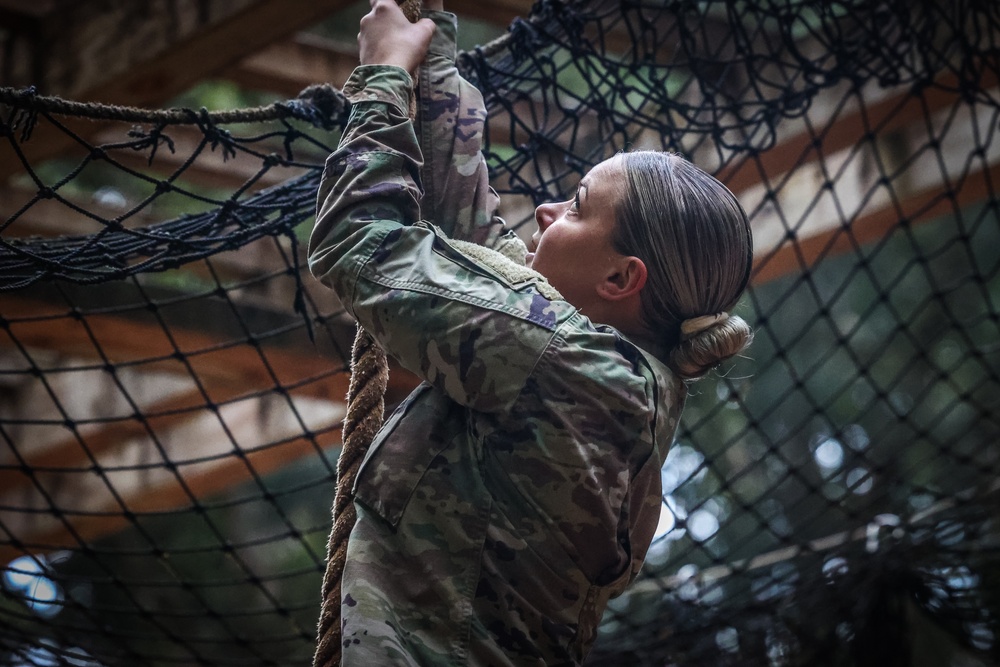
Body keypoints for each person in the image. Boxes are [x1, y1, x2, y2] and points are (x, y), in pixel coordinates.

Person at [308, 0, 753, 664]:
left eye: (576, 206)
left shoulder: (558, 355)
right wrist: (430, 41)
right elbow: (472, 239)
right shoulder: (613, 378)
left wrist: (381, 77)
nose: (545, 210)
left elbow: (362, 246)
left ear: (619, 279)